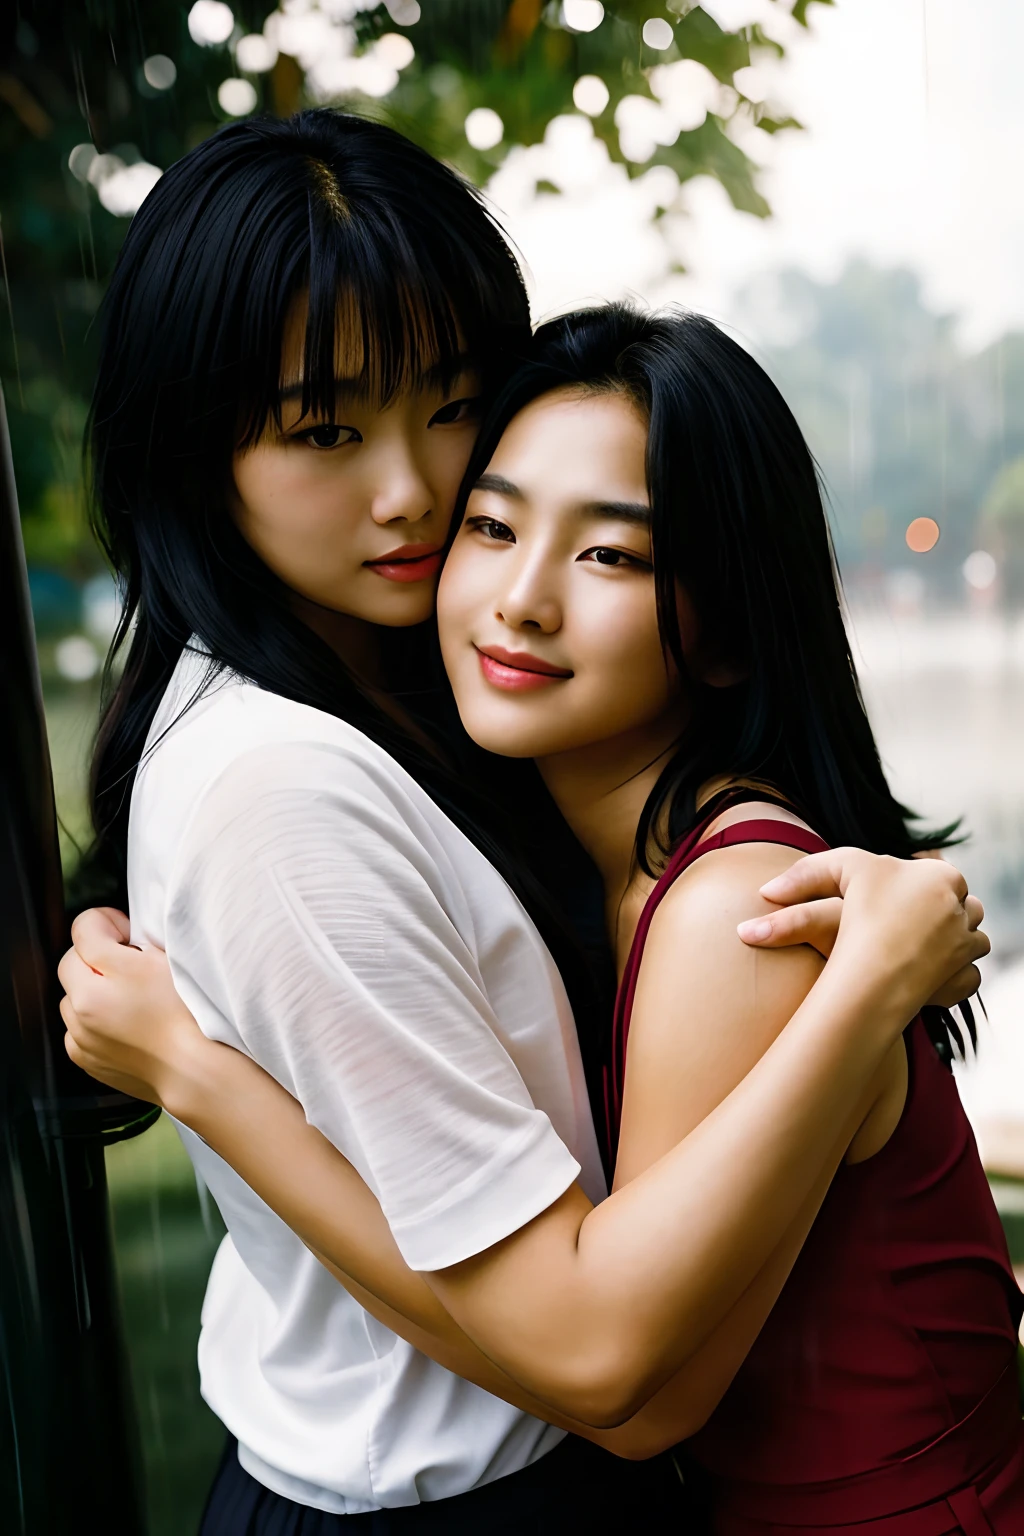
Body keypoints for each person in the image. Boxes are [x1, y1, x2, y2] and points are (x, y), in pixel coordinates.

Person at [62, 289, 1000, 1534]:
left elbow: (627, 1389)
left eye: (610, 554)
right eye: (493, 528)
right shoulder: (570, 857)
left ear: (723, 634)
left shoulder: (740, 912)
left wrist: (201, 1073)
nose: (521, 600)